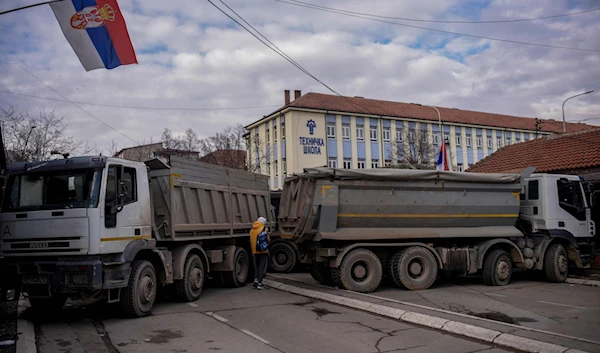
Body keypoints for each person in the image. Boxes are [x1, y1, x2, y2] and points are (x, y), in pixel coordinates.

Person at [250, 216, 270, 290]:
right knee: (262, 266)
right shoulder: (264, 229)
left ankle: (256, 279)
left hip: (255, 251)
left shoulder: (252, 230)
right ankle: (260, 283)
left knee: (256, 266)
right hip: (263, 250)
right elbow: (267, 239)